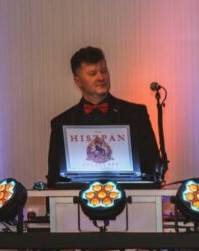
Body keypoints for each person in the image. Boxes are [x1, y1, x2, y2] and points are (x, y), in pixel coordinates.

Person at [47, 46, 160, 185]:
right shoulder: (61, 123)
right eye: (93, 73)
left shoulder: (136, 114)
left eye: (104, 71)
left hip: (130, 196)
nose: (101, 77)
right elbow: (54, 179)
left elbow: (154, 167)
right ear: (78, 81)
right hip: (78, 198)